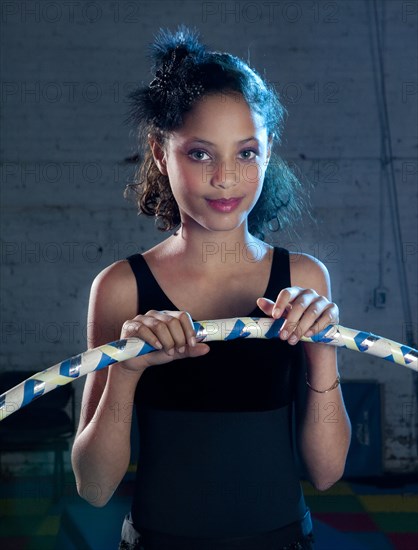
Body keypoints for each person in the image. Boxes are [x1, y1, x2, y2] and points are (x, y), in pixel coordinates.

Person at [71, 25, 351, 550]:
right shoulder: (121, 288)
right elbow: (93, 486)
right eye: (201, 154)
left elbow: (329, 472)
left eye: (246, 153)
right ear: (160, 152)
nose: (225, 178)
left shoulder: (305, 280)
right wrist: (127, 373)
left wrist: (323, 350)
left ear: (268, 153)